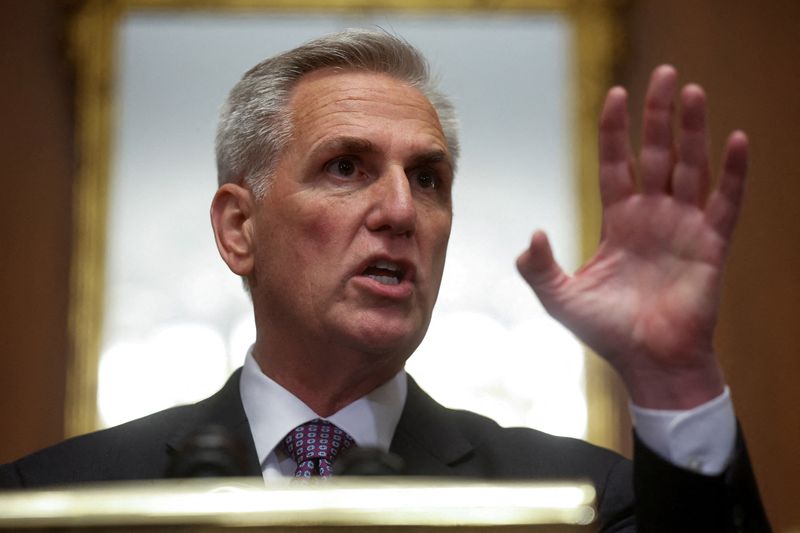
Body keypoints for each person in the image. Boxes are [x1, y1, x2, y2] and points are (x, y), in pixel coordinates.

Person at [0, 30, 770, 531]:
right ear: (239, 229)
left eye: (428, 179)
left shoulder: (580, 501)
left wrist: (674, 377)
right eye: (346, 168)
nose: (401, 209)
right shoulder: (56, 501)